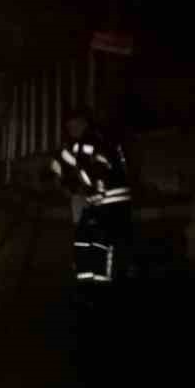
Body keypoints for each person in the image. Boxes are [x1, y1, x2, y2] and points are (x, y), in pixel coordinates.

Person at [50, 108, 133, 282]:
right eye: (69, 128)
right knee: (88, 237)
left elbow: (90, 171)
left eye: (74, 126)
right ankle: (91, 274)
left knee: (103, 239)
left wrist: (73, 184)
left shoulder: (90, 142)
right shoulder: (94, 140)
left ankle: (104, 277)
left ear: (84, 123)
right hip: (103, 198)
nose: (71, 131)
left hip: (108, 198)